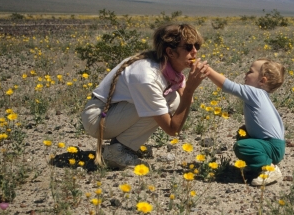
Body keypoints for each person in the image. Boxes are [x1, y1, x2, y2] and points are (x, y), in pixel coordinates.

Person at [81, 24, 209, 169]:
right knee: (170, 101)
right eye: (188, 47)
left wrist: (187, 90)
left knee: (172, 100)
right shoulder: (148, 77)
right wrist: (190, 89)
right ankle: (117, 151)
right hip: (97, 118)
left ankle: (122, 146)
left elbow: (186, 100)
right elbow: (173, 129)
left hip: (112, 112)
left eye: (196, 46)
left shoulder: (166, 68)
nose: (195, 51)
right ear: (170, 52)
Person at [205, 58, 286, 186]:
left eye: (250, 71)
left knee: (241, 146)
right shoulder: (261, 95)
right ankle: (257, 166)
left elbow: (228, 86)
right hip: (274, 145)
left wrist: (207, 70)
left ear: (262, 80)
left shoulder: (255, 92)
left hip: (272, 146)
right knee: (243, 132)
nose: (246, 74)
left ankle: (269, 168)